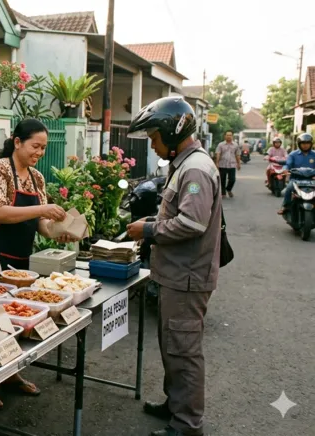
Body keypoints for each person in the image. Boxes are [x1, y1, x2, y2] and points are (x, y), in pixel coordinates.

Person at [124, 97, 222, 436]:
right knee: (171, 345)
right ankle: (175, 404)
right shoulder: (184, 163)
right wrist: (153, 220)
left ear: (171, 130)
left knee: (184, 350)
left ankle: (187, 423)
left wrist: (149, 229)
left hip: (188, 277)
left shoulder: (194, 168)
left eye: (154, 137)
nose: (152, 144)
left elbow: (193, 223)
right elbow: (178, 213)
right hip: (176, 274)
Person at [0, 118, 77, 409]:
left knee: (16, 321)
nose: (39, 152)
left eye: (43, 148)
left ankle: (10, 375)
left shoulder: (37, 178)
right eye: (35, 146)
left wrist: (58, 231)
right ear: (17, 142)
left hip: (20, 258)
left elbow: (40, 223)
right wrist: (43, 208)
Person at [278, 133, 315, 215]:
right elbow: (288, 164)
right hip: (296, 179)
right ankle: (285, 206)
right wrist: (285, 169)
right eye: (303, 143)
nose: (305, 145)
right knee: (289, 188)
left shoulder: (314, 154)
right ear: (299, 144)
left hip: (312, 179)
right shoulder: (293, 154)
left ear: (311, 144)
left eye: (307, 143)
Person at [214, 130, 240, 198]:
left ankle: (228, 189)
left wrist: (239, 163)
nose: (229, 137)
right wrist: (217, 163)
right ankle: (223, 193)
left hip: (232, 165)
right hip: (222, 164)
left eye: (230, 135)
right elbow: (218, 153)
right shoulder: (221, 144)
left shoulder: (235, 145)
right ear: (225, 136)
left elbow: (237, 154)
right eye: (227, 135)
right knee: (222, 179)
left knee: (232, 179)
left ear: (232, 136)